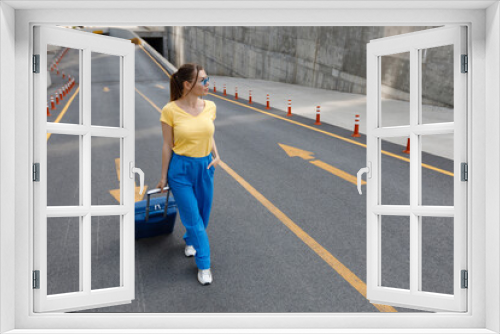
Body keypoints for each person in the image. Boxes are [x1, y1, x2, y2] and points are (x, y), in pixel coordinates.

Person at [156, 63, 220, 285]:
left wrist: (216, 155)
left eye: (206, 78)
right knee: (193, 219)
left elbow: (207, 134)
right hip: (180, 170)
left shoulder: (210, 106)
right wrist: (163, 177)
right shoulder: (170, 110)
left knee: (203, 215)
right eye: (203, 80)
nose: (207, 83)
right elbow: (167, 145)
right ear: (187, 84)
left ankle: (190, 240)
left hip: (205, 167)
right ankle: (204, 265)